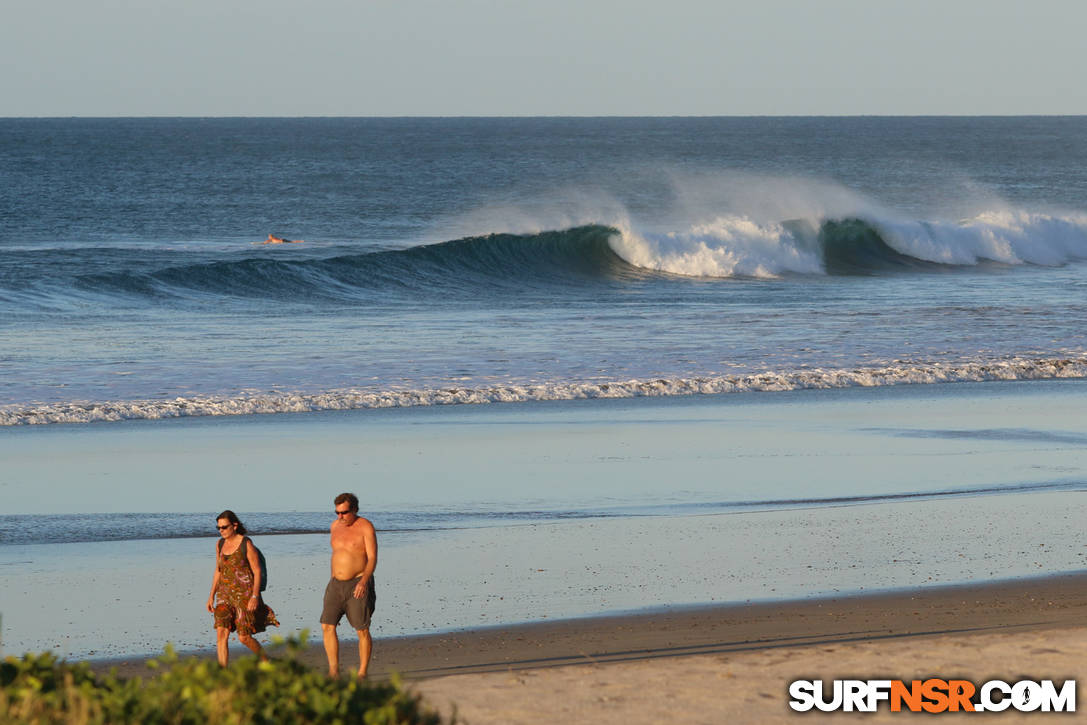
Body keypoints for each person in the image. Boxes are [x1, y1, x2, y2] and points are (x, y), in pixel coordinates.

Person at [206, 510, 279, 667]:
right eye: (218, 528)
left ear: (235, 525)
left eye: (224, 527)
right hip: (224, 594)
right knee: (221, 633)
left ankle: (266, 660)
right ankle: (222, 671)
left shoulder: (246, 544)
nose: (221, 531)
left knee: (244, 637)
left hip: (244, 595)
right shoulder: (220, 544)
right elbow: (218, 571)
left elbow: (258, 571)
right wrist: (211, 595)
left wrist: (255, 596)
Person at [320, 492, 378, 678]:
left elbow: (372, 558)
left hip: (358, 583)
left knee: (361, 629)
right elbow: (335, 555)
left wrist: (363, 582)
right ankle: (333, 670)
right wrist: (332, 579)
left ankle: (362, 673)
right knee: (327, 626)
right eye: (337, 512)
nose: (340, 517)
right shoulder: (334, 526)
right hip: (336, 584)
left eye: (344, 512)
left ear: (354, 509)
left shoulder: (365, 526)